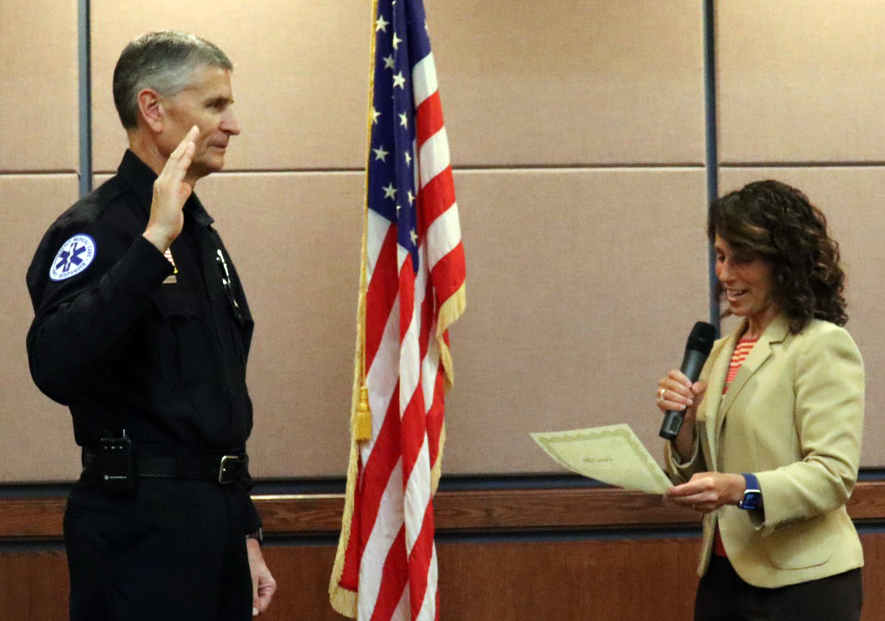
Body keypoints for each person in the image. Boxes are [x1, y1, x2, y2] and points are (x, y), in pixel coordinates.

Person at [26, 31, 276, 621]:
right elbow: (56, 365)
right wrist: (149, 246)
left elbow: (220, 404)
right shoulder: (98, 230)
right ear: (153, 109)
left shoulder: (200, 233)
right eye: (215, 105)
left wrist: (244, 529)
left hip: (214, 526)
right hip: (137, 528)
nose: (233, 124)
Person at [655, 180, 864, 621]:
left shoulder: (821, 345)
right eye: (720, 256)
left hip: (805, 585)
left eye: (742, 259)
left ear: (783, 264)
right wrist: (687, 426)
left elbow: (833, 476)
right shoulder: (717, 352)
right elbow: (697, 471)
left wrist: (741, 488)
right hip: (722, 577)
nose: (725, 274)